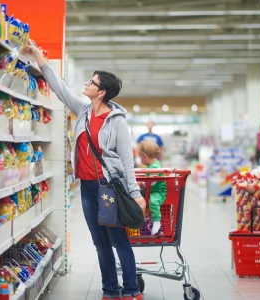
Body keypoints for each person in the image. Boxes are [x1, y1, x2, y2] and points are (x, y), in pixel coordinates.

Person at [22, 40, 145, 300]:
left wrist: (135, 192)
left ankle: (132, 290)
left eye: (92, 82)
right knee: (100, 243)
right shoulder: (82, 111)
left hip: (109, 187)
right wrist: (36, 56)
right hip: (88, 189)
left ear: (102, 92)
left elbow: (126, 159)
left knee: (118, 241)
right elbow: (59, 89)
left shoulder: (118, 121)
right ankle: (110, 291)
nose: (87, 84)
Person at [136, 140, 167, 235]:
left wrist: (141, 184)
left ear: (145, 156)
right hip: (151, 191)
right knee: (137, 197)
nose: (140, 159)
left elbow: (152, 182)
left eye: (140, 157)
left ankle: (157, 222)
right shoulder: (151, 166)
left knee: (153, 202)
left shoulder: (155, 167)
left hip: (159, 191)